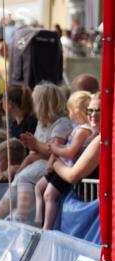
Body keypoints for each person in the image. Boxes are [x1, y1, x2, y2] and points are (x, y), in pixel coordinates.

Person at [0, 82, 71, 223]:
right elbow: (39, 150)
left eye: (35, 101)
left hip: (52, 166)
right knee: (17, 180)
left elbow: (54, 151)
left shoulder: (62, 123)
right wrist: (32, 146)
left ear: (43, 103)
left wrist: (35, 145)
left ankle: (21, 218)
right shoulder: (42, 122)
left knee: (24, 177)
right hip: (38, 162)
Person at [35, 90, 94, 229]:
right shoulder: (78, 128)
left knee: (49, 195)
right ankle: (38, 220)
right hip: (62, 164)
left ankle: (46, 228)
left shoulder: (83, 130)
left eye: (70, 110)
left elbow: (70, 152)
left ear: (77, 111)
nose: (69, 114)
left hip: (67, 166)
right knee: (39, 187)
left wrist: (55, 148)